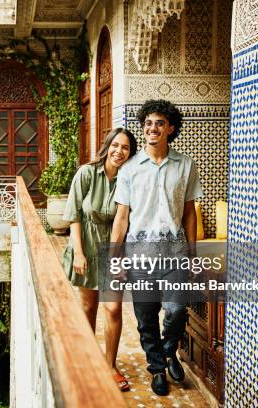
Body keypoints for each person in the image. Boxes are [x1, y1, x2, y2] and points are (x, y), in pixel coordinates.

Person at [110, 100, 202, 396]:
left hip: (175, 252)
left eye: (159, 123)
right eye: (148, 123)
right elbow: (122, 217)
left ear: (170, 129)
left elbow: (190, 212)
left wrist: (193, 253)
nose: (152, 128)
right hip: (140, 253)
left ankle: (169, 350)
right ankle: (158, 369)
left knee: (176, 310)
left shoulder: (186, 165)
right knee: (146, 317)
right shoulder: (130, 168)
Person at [62, 127, 138, 392]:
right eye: (116, 145)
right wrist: (78, 252)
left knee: (113, 308)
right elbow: (74, 216)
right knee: (88, 306)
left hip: (115, 247)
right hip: (86, 245)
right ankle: (87, 359)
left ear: (131, 153)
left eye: (126, 148)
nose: (119, 151)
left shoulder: (129, 179)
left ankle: (110, 365)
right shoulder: (86, 173)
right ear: (107, 146)